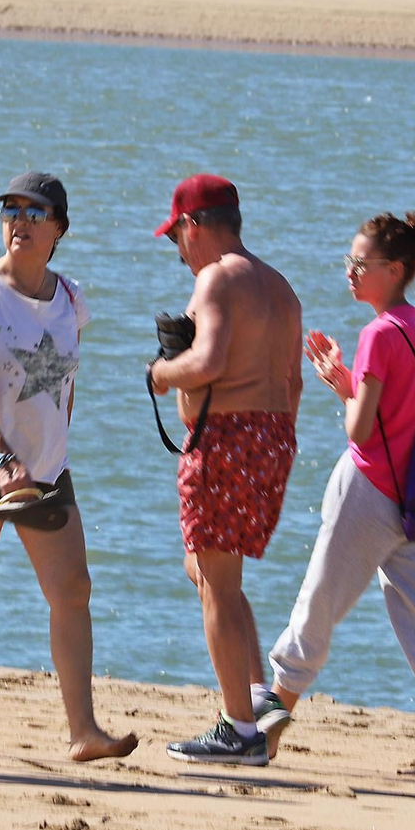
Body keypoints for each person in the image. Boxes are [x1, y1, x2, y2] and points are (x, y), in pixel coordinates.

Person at [0, 172, 137, 763]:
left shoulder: (70, 299)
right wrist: (1, 456)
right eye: (11, 211)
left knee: (73, 589)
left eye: (35, 213)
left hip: (44, 469)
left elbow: (64, 381)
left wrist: (49, 450)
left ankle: (84, 732)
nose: (20, 221)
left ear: (59, 228)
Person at [264, 210, 415, 777]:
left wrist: (342, 385)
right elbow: (412, 411)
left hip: (371, 488)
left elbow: (360, 429)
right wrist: (350, 382)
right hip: (412, 498)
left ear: (396, 269)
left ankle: (264, 734)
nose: (351, 272)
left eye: (362, 264)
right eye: (349, 262)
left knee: (318, 601)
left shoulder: (379, 333)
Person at [149, 174, 303, 766]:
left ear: (194, 226)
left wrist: (161, 374)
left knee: (215, 580)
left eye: (176, 239)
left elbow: (208, 360)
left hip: (227, 439)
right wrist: (272, 439)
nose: (180, 252)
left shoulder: (215, 279)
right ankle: (257, 695)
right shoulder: (281, 287)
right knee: (210, 568)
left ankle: (239, 728)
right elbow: (290, 383)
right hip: (272, 438)